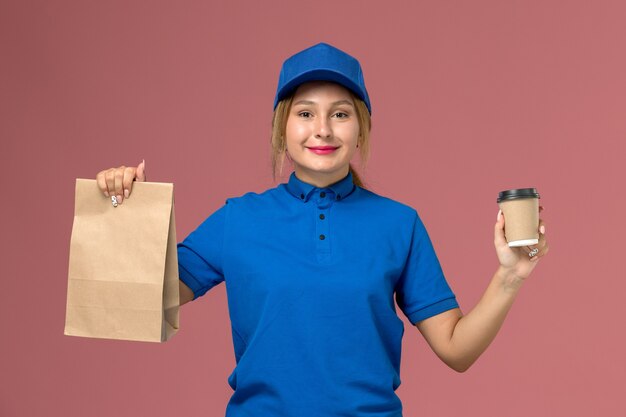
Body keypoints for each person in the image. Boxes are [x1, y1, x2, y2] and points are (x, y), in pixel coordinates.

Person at [96, 43, 549, 417]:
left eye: (340, 113)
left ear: (360, 130)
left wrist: (510, 276)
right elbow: (142, 302)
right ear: (282, 129)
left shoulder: (399, 224)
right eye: (306, 113)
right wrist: (124, 209)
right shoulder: (239, 219)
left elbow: (456, 350)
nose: (323, 130)